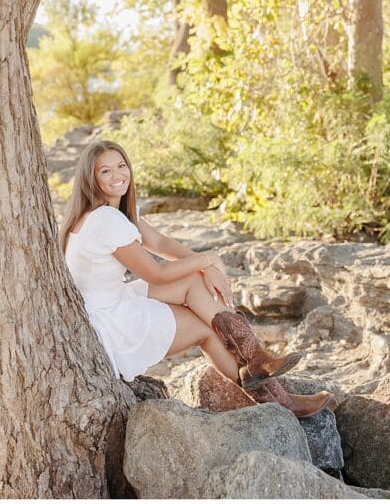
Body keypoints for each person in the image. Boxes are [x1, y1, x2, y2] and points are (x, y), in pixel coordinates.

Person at [61, 140, 331, 417]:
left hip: (112, 299)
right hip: (108, 320)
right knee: (205, 330)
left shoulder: (113, 213)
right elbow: (156, 273)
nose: (118, 175)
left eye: (121, 166)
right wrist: (209, 259)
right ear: (90, 179)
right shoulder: (105, 219)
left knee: (194, 282)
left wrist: (206, 269)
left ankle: (257, 361)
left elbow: (163, 245)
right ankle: (279, 400)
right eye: (105, 171)